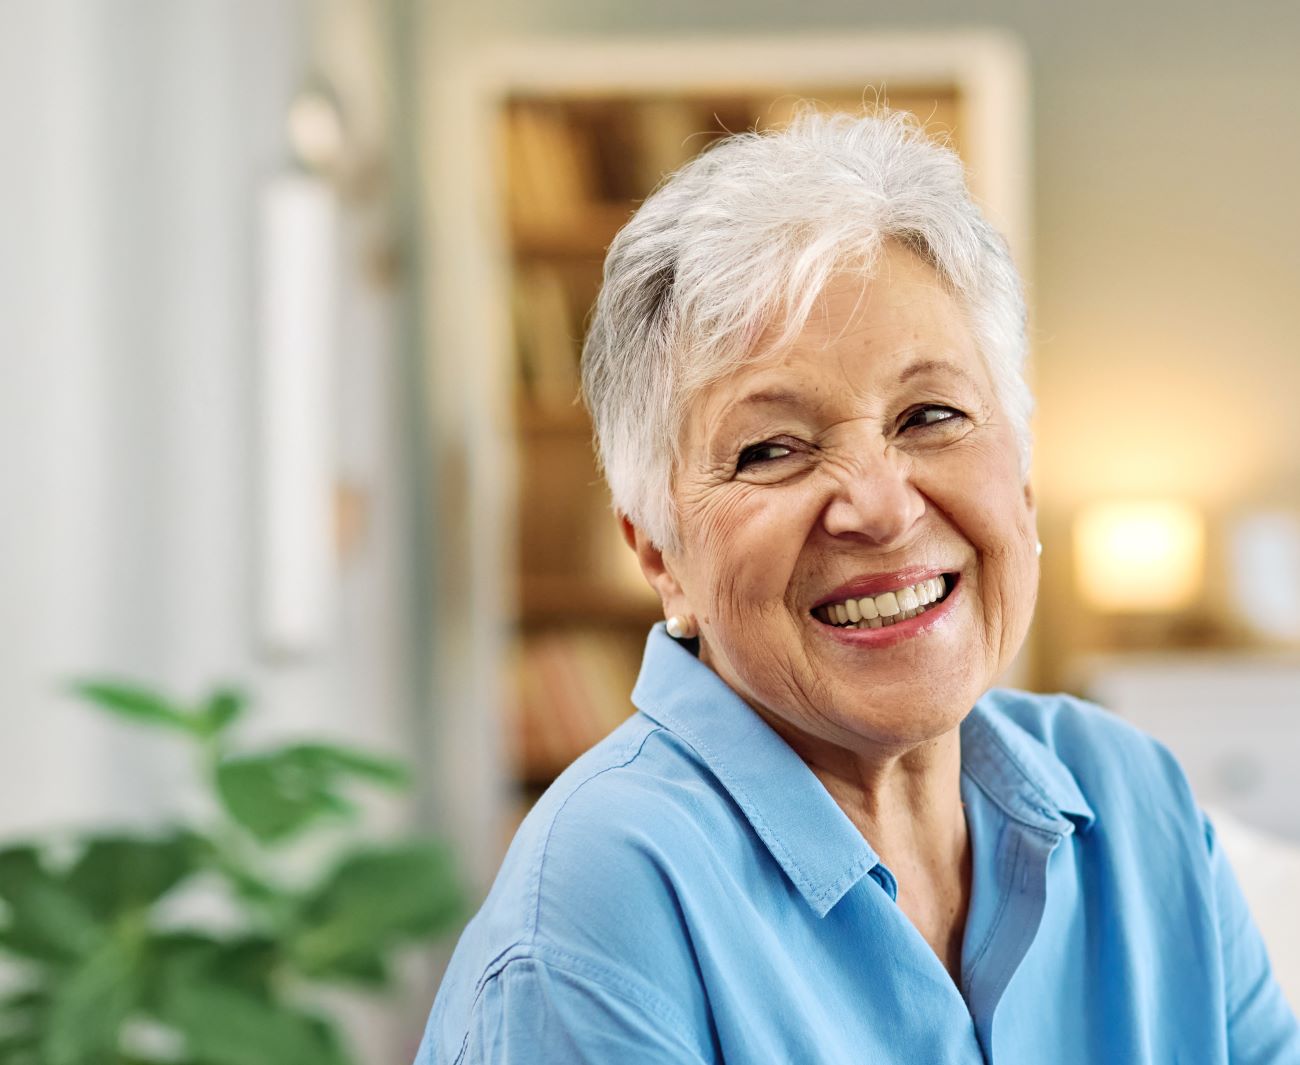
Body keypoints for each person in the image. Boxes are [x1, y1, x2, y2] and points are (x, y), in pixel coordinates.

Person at [414, 110, 1300, 1064]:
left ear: (1024, 477)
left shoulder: (1133, 798)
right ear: (661, 558)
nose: (878, 507)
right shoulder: (599, 905)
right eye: (773, 448)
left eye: (930, 415)